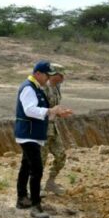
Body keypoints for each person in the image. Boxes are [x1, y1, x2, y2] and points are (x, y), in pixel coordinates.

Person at [14, 61, 73, 218]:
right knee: (37, 169)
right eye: (47, 75)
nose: (48, 78)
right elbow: (29, 110)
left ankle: (22, 198)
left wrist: (57, 113)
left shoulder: (36, 87)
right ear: (38, 73)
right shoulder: (28, 88)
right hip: (29, 134)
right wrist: (50, 110)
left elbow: (41, 110)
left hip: (33, 134)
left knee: (26, 166)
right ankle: (36, 206)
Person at [41, 63, 68, 196]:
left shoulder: (56, 87)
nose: (63, 77)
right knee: (41, 159)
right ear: (54, 75)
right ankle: (35, 186)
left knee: (61, 155)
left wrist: (61, 113)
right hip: (43, 129)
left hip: (53, 128)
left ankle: (50, 182)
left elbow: (54, 107)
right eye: (61, 74)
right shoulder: (43, 88)